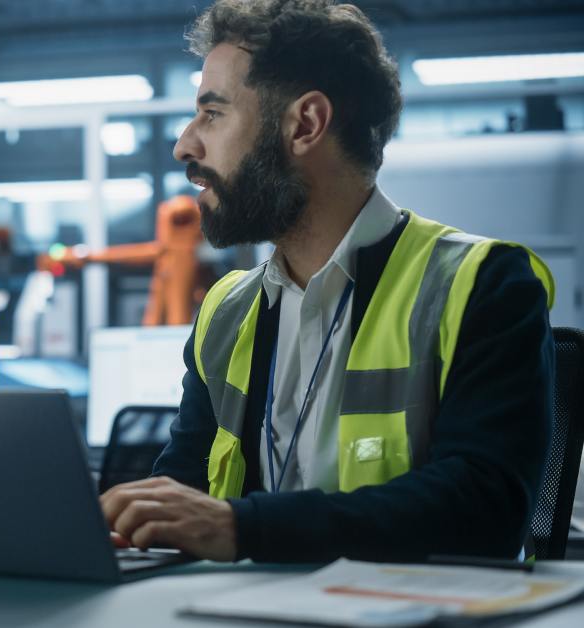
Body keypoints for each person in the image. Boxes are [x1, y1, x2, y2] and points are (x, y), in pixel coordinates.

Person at [101, 0, 555, 563]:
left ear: (306, 124)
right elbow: (184, 491)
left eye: (213, 114)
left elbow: (486, 507)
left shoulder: (479, 284)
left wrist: (247, 527)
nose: (185, 146)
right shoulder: (228, 312)